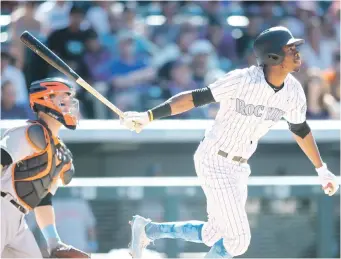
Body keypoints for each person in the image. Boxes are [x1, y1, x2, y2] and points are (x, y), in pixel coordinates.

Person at [120, 26, 339, 258]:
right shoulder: (242, 79)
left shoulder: (294, 90)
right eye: (290, 49)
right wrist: (149, 116)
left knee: (215, 234)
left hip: (239, 167)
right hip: (215, 158)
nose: (297, 53)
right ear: (273, 56)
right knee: (238, 240)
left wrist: (321, 169)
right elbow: (195, 98)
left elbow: (300, 129)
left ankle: (148, 230)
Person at [1, 77, 89, 258]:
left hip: (18, 219)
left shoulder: (61, 154)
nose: (69, 106)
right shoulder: (30, 132)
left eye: (70, 101)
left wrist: (54, 243)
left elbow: (43, 199)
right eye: (62, 101)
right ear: (45, 100)